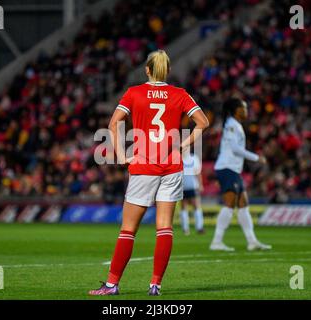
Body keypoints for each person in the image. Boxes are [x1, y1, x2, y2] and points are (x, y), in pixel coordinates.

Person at [89, 50, 209, 296]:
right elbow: (203, 122)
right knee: (164, 227)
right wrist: (184, 145)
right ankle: (155, 285)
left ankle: (112, 285)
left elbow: (114, 124)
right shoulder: (180, 94)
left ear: (147, 70)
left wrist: (122, 156)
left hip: (144, 165)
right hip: (172, 165)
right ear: (168, 71)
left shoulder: (134, 93)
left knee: (128, 229)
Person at [210, 98, 271, 251]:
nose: (246, 110)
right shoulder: (231, 125)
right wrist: (257, 158)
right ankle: (216, 242)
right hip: (227, 167)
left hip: (233, 169)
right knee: (230, 204)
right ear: (236, 110)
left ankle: (252, 241)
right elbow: (235, 148)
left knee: (243, 204)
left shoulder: (235, 125)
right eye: (243, 108)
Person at [180, 151, 204, 235]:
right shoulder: (178, 158)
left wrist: (200, 184)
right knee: (183, 207)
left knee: (196, 206)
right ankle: (185, 229)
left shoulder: (194, 158)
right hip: (182, 186)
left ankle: (199, 227)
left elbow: (198, 172)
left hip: (193, 186)